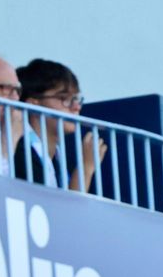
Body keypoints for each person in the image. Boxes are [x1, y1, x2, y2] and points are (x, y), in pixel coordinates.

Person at [14, 58, 104, 191]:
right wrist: (85, 168)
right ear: (33, 104)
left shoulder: (57, 157)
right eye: (64, 98)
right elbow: (64, 210)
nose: (76, 107)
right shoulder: (19, 151)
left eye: (76, 99)